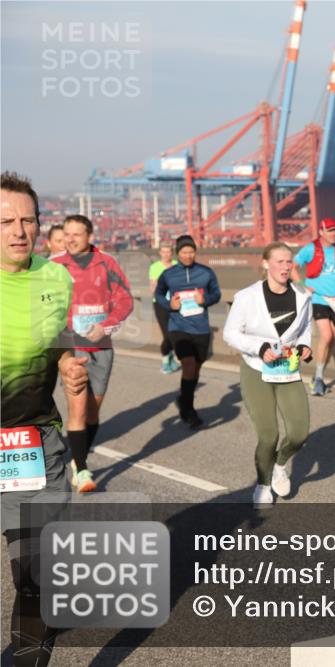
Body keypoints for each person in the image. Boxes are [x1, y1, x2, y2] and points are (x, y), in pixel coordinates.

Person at [1, 171, 89, 666]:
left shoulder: (56, 277)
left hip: (29, 445)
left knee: (32, 570)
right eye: (6, 221)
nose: (19, 230)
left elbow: (56, 337)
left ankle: (29, 653)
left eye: (28, 220)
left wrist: (67, 362)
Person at [224, 243, 313, 508]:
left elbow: (306, 328)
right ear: (265, 264)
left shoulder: (301, 296)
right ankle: (263, 484)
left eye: (289, 262)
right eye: (280, 262)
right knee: (268, 435)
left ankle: (280, 464)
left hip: (288, 370)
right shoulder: (247, 297)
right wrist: (260, 348)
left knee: (299, 432)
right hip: (256, 370)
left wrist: (305, 347)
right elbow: (230, 333)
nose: (286, 267)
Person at [51, 214, 134, 493]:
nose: (71, 239)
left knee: (92, 413)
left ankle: (77, 459)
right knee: (77, 409)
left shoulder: (108, 263)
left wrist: (107, 326)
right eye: (67, 234)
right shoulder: (55, 266)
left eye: (77, 234)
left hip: (101, 346)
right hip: (70, 347)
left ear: (89, 237)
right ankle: (82, 468)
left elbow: (124, 300)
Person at [154, 235, 222, 429]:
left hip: (200, 328)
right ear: (178, 253)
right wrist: (169, 304)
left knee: (196, 369)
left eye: (191, 251)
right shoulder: (168, 274)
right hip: (178, 327)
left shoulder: (206, 272)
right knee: (189, 365)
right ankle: (188, 409)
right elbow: (158, 294)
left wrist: (205, 300)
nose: (188, 255)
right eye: (184, 252)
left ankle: (183, 399)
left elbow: (216, 294)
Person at [292, 217, 335, 396]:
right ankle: (318, 378)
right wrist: (302, 284)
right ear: (321, 232)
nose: (334, 233)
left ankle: (319, 375)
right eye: (330, 230)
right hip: (318, 298)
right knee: (325, 335)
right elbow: (293, 266)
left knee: (331, 339)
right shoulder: (311, 249)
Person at [149, 240, 180, 374]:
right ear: (160, 253)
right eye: (164, 252)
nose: (166, 254)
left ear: (172, 253)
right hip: (161, 304)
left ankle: (172, 357)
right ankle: (166, 361)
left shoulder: (177, 265)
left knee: (176, 333)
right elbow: (153, 288)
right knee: (167, 335)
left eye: (169, 252)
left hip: (176, 303)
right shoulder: (155, 267)